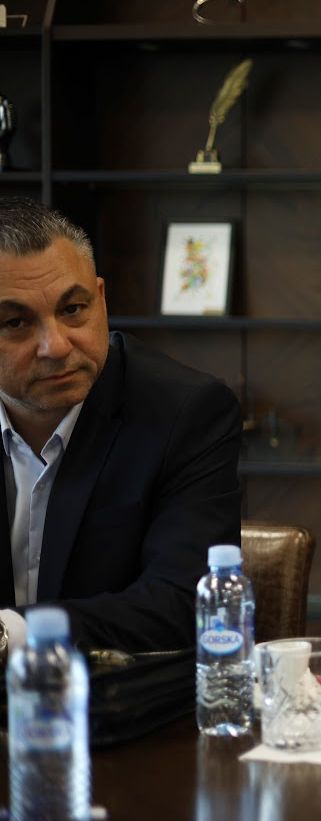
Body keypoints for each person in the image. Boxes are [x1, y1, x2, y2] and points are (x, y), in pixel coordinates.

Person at [0, 197, 241, 655]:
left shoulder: (185, 412)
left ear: (102, 298)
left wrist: (9, 633)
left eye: (73, 309)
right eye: (16, 322)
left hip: (116, 692)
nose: (56, 346)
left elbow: (183, 604)